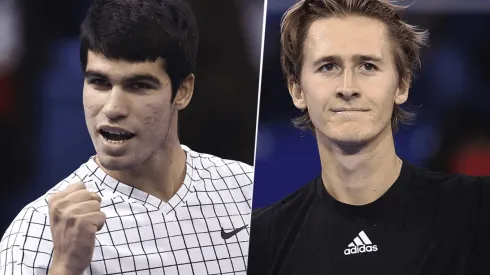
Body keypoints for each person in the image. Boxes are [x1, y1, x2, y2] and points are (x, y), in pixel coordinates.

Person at [0, 0, 254, 274]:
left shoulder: (249, 192)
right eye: (99, 82)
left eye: (139, 86)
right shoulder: (35, 232)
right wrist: (64, 268)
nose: (113, 108)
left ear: (183, 91)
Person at [247, 0, 490, 274]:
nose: (348, 87)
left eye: (368, 66)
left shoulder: (476, 209)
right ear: (296, 90)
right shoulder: (260, 241)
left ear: (402, 84)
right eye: (328, 67)